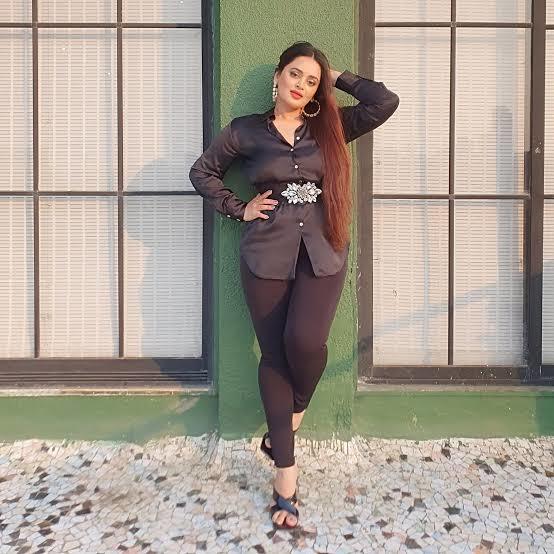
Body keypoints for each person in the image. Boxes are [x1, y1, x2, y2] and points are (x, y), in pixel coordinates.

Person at [188, 40, 399, 530]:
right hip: (266, 256)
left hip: (323, 254)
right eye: (295, 74)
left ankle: (291, 414)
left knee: (306, 343)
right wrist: (239, 208)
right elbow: (202, 172)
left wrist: (334, 75)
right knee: (275, 356)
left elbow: (384, 102)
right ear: (277, 77)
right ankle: (285, 472)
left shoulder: (332, 126)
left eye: (311, 80)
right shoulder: (244, 131)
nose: (301, 85)